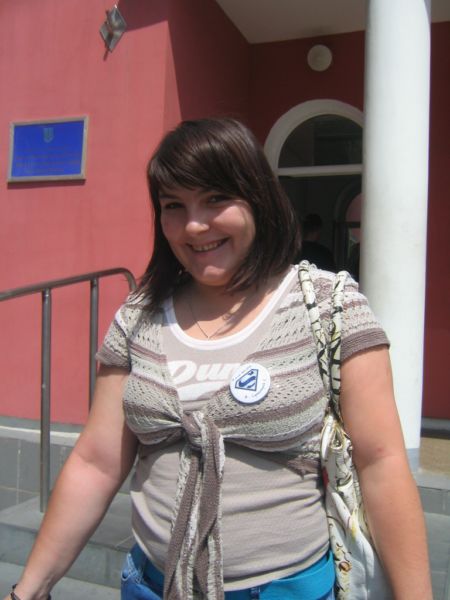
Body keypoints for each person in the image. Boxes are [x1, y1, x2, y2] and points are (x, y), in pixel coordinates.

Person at [7, 118, 432, 600]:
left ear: (258, 199)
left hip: (285, 592)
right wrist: (28, 591)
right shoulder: (138, 316)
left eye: (215, 199)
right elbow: (96, 463)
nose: (194, 225)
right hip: (150, 586)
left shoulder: (330, 305)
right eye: (174, 205)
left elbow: (381, 464)